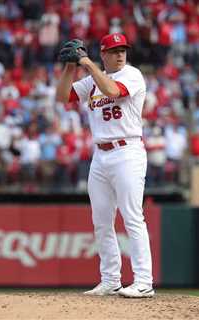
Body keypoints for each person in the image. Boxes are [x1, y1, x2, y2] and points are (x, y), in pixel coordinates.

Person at [56, 33, 154, 298]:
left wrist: (86, 63)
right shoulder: (91, 81)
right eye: (114, 50)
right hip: (100, 155)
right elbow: (62, 96)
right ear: (104, 54)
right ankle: (111, 279)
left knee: (133, 217)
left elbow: (111, 90)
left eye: (123, 49)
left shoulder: (132, 75)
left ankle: (144, 280)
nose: (120, 54)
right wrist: (70, 67)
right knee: (101, 221)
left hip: (127, 151)